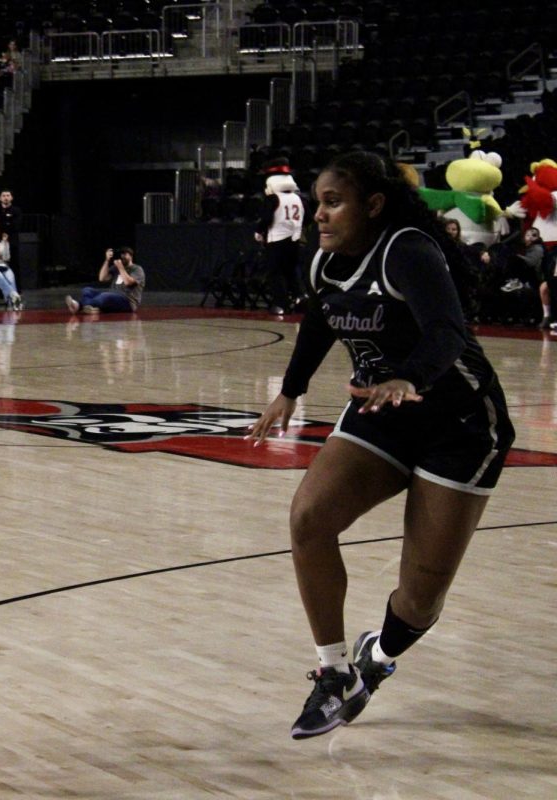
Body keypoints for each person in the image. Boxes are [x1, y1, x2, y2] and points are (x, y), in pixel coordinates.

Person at [245, 151, 516, 740]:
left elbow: (448, 331)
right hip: (381, 412)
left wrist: (408, 378)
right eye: (317, 201)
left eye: (333, 202)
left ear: (372, 205)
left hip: (461, 425)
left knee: (418, 602)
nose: (319, 214)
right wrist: (289, 392)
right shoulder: (322, 261)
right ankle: (335, 671)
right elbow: (321, 319)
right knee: (309, 517)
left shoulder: (406, 249)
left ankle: (381, 653)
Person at [254, 165, 305, 315]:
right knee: (291, 271)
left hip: (276, 240)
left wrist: (258, 231)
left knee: (274, 272)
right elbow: (307, 217)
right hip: (294, 240)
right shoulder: (298, 198)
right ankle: (299, 297)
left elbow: (267, 218)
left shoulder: (273, 199)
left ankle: (281, 304)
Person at [65, 247, 145, 314]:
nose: (122, 256)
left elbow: (128, 282)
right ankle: (94, 308)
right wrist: (107, 260)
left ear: (131, 256)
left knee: (104, 297)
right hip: (112, 295)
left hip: (127, 302)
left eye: (125, 254)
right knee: (87, 290)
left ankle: (79, 306)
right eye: (121, 254)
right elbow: (102, 278)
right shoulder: (116, 267)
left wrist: (121, 267)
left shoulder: (137, 269)